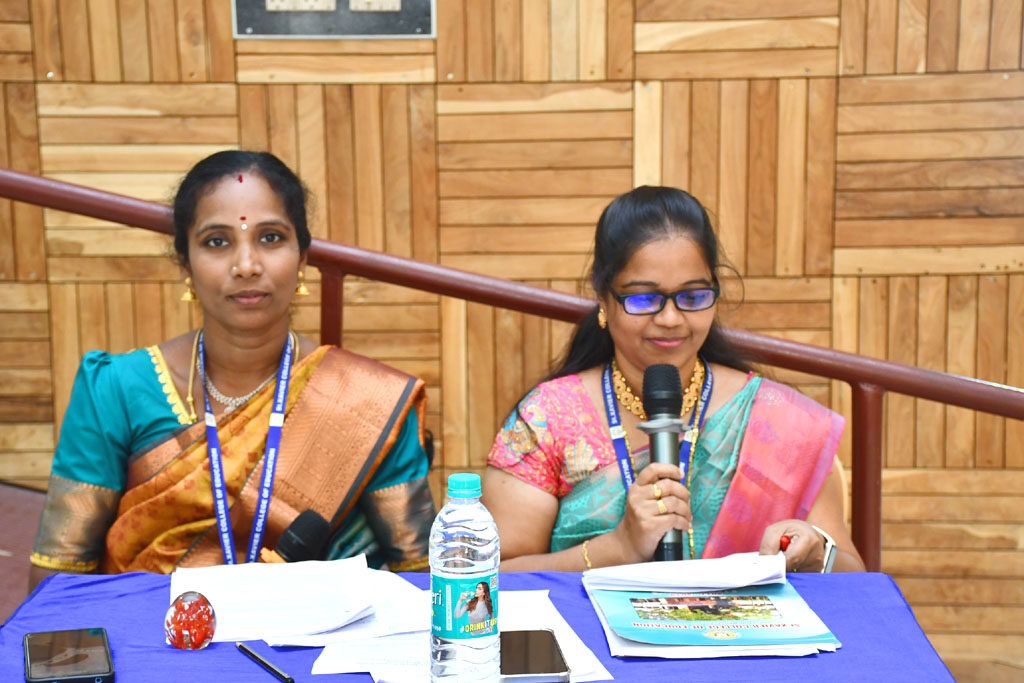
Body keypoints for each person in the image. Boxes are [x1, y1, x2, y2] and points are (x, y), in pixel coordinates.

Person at [30, 151, 436, 588]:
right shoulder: (115, 389)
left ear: (302, 257)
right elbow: (57, 579)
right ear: (185, 261)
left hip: (311, 632)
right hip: (149, 630)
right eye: (217, 242)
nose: (247, 266)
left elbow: (421, 579)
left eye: (271, 238)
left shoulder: (365, 400)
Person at [482, 186, 865, 573]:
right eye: (643, 299)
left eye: (693, 297)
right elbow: (493, 577)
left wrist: (817, 552)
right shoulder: (548, 418)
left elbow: (854, 576)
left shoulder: (776, 418)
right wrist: (619, 547)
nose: (670, 318)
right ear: (603, 299)